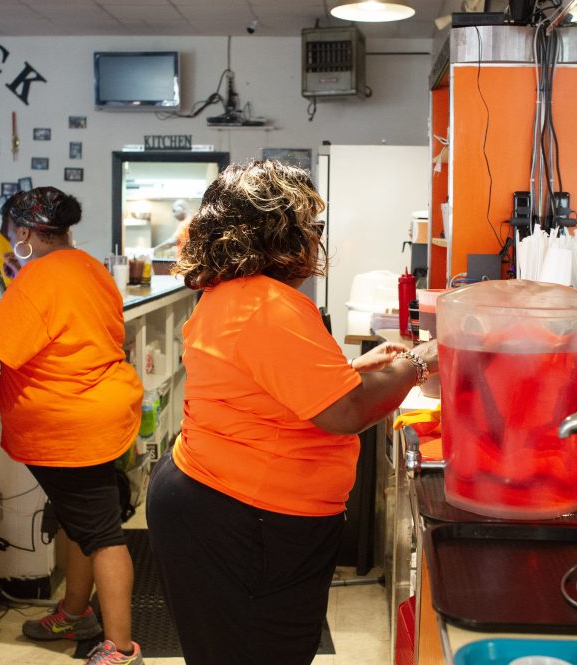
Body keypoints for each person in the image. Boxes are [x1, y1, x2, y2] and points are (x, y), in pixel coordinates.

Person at [145, 160, 439, 665]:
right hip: (240, 516)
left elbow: (274, 383)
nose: (315, 239)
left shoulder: (234, 294)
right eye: (311, 226)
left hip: (219, 499)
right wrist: (422, 359)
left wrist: (345, 368)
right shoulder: (266, 305)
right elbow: (347, 410)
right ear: (278, 230)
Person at [0, 187, 145, 665]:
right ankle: (74, 615)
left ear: (25, 232)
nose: (10, 243)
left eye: (12, 235)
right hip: (106, 410)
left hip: (73, 424)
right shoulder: (90, 267)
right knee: (82, 523)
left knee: (102, 534)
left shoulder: (39, 276)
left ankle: (122, 649)